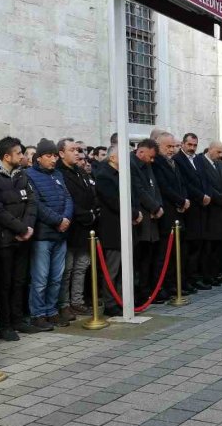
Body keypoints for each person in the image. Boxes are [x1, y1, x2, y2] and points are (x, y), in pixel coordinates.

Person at [0, 136, 38, 340]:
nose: (22, 157)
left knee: (20, 281)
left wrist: (28, 226)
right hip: (4, 239)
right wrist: (20, 228)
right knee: (4, 284)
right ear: (6, 156)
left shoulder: (22, 175)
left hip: (24, 237)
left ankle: (18, 319)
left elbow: (32, 202)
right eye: (19, 153)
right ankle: (4, 326)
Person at [26, 138, 73, 330]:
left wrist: (66, 218)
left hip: (60, 234)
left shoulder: (58, 175)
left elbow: (68, 198)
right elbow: (36, 204)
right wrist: (58, 220)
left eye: (55, 155)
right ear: (39, 158)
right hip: (43, 235)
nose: (53, 159)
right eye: (49, 156)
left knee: (56, 277)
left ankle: (52, 311)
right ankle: (38, 314)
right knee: (40, 278)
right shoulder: (29, 175)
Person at [94, 145, 141, 317]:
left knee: (126, 268)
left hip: (128, 226)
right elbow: (115, 201)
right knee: (112, 269)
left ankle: (123, 299)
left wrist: (136, 212)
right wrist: (134, 213)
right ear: (112, 158)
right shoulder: (104, 176)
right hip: (113, 229)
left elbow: (133, 195)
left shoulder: (124, 174)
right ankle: (110, 302)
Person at [57, 138, 97, 319]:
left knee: (82, 266)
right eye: (72, 149)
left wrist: (93, 212)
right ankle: (64, 304)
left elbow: (90, 194)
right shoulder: (59, 173)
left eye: (78, 150)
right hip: (71, 227)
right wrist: (84, 214)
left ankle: (77, 301)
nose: (77, 153)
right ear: (61, 153)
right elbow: (68, 199)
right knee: (68, 268)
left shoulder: (80, 171)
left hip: (86, 227)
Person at [152, 132, 192, 297]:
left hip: (179, 212)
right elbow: (164, 186)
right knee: (164, 254)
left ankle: (175, 283)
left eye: (174, 146)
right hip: (167, 214)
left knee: (178, 252)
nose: (171, 150)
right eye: (167, 146)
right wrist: (180, 201)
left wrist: (184, 200)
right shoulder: (157, 164)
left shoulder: (173, 162)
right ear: (158, 146)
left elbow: (181, 184)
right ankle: (162, 287)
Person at [129, 139, 164, 304]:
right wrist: (154, 207)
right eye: (150, 157)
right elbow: (139, 190)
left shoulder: (147, 165)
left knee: (148, 259)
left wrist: (158, 206)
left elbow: (154, 187)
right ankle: (138, 294)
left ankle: (147, 290)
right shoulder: (131, 164)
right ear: (141, 151)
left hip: (152, 220)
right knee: (139, 260)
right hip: (142, 220)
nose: (152, 161)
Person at [174, 133, 210, 289]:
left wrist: (206, 194)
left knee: (199, 245)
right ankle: (186, 280)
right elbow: (185, 183)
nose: (192, 148)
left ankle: (195, 277)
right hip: (189, 208)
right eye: (189, 145)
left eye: (195, 145)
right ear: (183, 144)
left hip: (202, 208)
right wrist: (201, 196)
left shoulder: (198, 159)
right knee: (189, 247)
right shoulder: (177, 160)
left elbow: (204, 179)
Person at [201, 141, 222, 283]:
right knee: (210, 247)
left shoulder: (220, 164)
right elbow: (205, 185)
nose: (221, 155)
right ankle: (208, 275)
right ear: (211, 149)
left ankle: (217, 273)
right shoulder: (201, 162)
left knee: (221, 246)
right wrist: (221, 198)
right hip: (211, 212)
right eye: (218, 152)